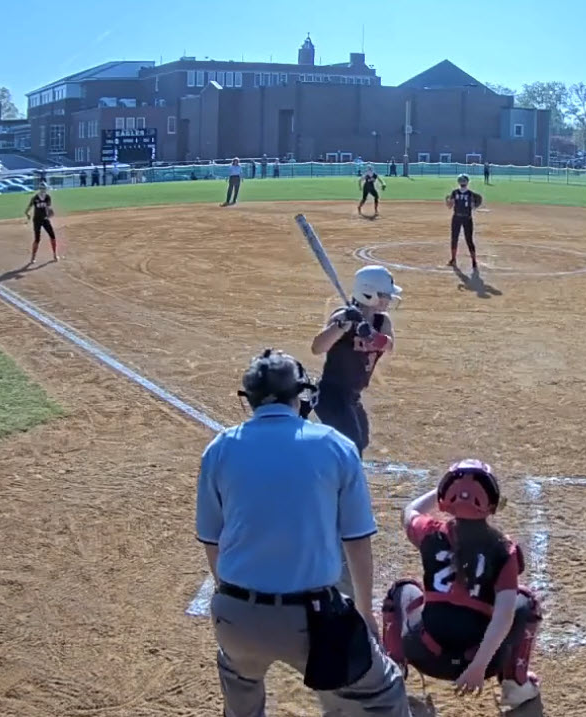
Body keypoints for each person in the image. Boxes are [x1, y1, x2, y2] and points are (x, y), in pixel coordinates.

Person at [195, 348, 412, 717]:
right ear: (301, 395)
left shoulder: (219, 448)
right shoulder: (336, 446)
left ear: (249, 399)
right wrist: (364, 612)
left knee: (239, 686)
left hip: (235, 617)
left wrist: (235, 604)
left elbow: (212, 540)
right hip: (312, 621)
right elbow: (356, 540)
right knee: (384, 693)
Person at [381, 459, 543, 709]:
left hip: (425, 654)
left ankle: (391, 674)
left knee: (400, 591)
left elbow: (409, 512)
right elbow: (503, 617)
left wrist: (443, 491)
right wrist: (478, 667)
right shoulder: (504, 549)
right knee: (527, 602)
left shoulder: (430, 532)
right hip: (483, 663)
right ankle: (516, 685)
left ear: (446, 499)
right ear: (492, 503)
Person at [309, 265, 399, 458]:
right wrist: (343, 326)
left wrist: (372, 335)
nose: (389, 299)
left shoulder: (382, 321)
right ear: (369, 294)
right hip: (331, 395)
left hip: (352, 396)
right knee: (352, 446)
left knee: (361, 440)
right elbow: (317, 348)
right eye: (385, 294)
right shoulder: (342, 316)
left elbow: (389, 346)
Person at [446, 173, 484, 270]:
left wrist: (447, 201)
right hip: (467, 218)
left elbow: (450, 206)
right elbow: (473, 206)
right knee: (469, 240)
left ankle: (453, 259)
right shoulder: (471, 194)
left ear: (458, 182)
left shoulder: (455, 193)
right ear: (467, 182)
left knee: (454, 238)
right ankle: (474, 262)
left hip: (456, 218)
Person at [24, 182, 59, 264]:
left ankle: (54, 254)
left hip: (45, 219)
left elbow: (49, 208)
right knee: (37, 239)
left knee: (52, 237)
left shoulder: (47, 198)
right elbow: (28, 208)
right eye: (43, 189)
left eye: (44, 189)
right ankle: (33, 257)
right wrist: (27, 214)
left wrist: (50, 213)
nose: (44, 191)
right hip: (37, 220)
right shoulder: (35, 198)